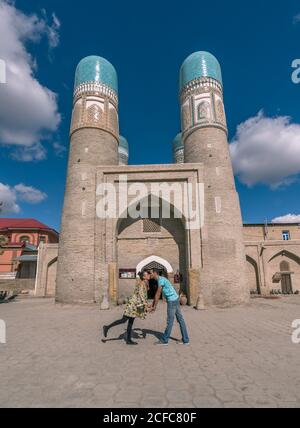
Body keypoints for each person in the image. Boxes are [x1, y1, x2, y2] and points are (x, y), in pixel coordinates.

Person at [103, 270, 150, 345]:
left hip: (134, 304)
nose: (149, 275)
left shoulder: (143, 283)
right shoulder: (142, 283)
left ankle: (128, 340)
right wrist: (146, 305)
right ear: (144, 277)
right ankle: (107, 327)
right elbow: (141, 295)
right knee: (124, 320)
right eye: (147, 274)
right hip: (133, 305)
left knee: (130, 322)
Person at [151, 269, 189, 345]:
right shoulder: (162, 279)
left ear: (155, 273)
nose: (150, 274)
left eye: (150, 273)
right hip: (176, 299)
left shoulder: (161, 280)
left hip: (172, 301)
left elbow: (158, 294)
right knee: (180, 319)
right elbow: (157, 294)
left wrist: (154, 306)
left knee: (170, 321)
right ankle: (185, 339)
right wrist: (153, 304)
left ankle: (164, 340)